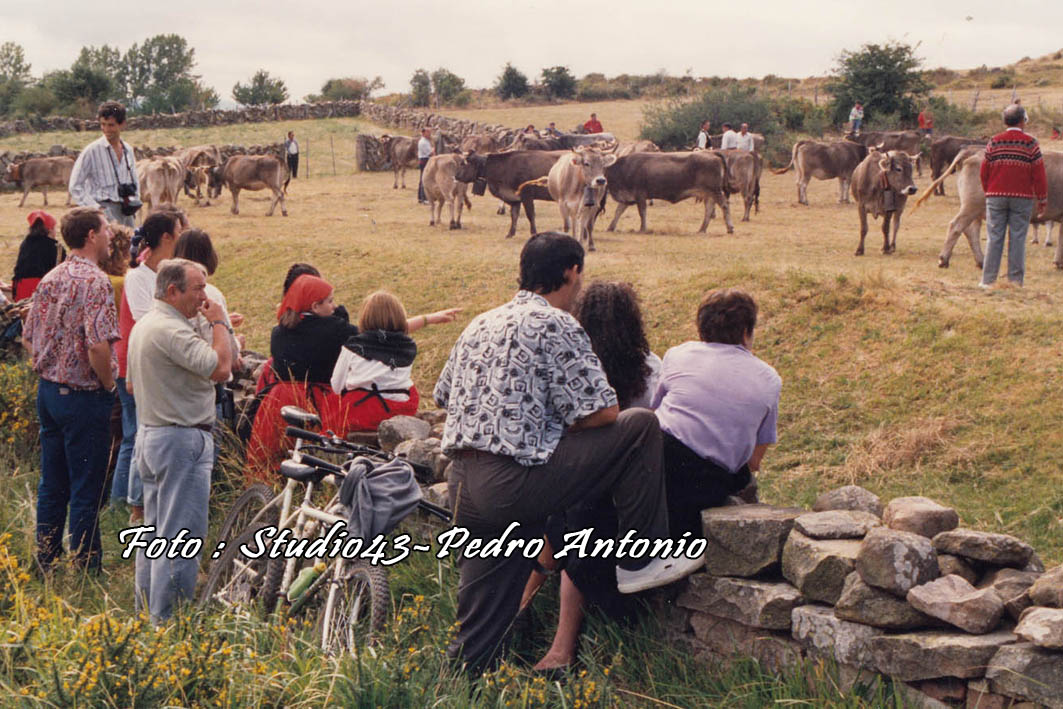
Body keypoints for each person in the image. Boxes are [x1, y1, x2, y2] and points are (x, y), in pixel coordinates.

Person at [434, 232, 702, 675]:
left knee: (480, 618)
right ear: (572, 271)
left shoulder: (479, 323)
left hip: (463, 484)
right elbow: (603, 411)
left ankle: (455, 689)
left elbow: (444, 396)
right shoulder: (558, 322)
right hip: (515, 483)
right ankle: (641, 557)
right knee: (640, 427)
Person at [530, 281, 663, 672]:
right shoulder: (651, 367)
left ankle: (529, 610)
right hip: (629, 486)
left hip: (578, 477)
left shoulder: (575, 365)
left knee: (566, 519)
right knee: (579, 521)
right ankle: (559, 645)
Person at [246, 273, 458, 478]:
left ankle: (268, 497)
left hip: (278, 399)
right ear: (314, 306)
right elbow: (378, 339)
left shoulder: (279, 331)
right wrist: (427, 319)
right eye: (330, 301)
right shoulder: (337, 330)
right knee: (311, 451)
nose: (335, 306)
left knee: (271, 452)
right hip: (315, 400)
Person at [127, 258, 232, 622]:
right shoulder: (172, 330)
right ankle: (170, 626)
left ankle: (147, 615)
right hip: (180, 439)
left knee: (155, 534)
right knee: (181, 539)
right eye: (198, 288)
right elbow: (221, 368)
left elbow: (129, 383)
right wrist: (218, 322)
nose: (205, 295)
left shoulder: (146, 325)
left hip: (152, 434)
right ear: (173, 291)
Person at [22, 207, 119, 573]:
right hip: (83, 396)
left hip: (49, 393)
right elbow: (98, 346)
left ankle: (45, 558)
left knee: (53, 483)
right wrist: (108, 385)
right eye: (106, 229)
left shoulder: (51, 277)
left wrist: (50, 365)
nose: (111, 235)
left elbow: (29, 337)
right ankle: (85, 566)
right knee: (85, 486)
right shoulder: (95, 283)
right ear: (91, 235)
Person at [653, 288, 780, 537]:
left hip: (657, 463)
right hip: (709, 484)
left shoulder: (678, 355)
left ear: (701, 329)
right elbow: (754, 461)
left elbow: (653, 411)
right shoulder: (769, 379)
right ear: (746, 332)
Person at [113, 210, 185, 518]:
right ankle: (126, 503)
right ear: (166, 238)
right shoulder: (139, 276)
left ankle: (132, 502)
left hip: (148, 364)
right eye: (180, 232)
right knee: (137, 435)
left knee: (140, 434)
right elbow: (147, 319)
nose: (183, 237)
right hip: (134, 365)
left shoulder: (158, 274)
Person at [330, 291, 421, 432]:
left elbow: (336, 386)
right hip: (399, 409)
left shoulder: (352, 347)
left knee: (333, 403)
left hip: (363, 412)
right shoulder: (407, 346)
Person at [979, 104, 1048, 288]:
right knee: (1017, 238)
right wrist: (1042, 198)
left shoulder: (994, 141)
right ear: (1023, 120)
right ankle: (1015, 281)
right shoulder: (1031, 143)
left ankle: (987, 281)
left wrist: (989, 192)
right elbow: (1039, 174)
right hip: (1022, 197)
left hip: (995, 196)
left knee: (994, 238)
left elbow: (984, 170)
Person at [68, 101, 141, 227]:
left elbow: (135, 180)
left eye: (111, 125)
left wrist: (135, 200)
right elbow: (75, 186)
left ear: (122, 124)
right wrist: (96, 209)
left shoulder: (128, 149)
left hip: (126, 210)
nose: (106, 129)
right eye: (103, 124)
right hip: (104, 209)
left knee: (130, 245)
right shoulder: (91, 151)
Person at [12, 210, 65, 302]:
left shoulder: (26, 243)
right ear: (50, 229)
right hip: (42, 289)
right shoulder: (55, 247)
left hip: (20, 288)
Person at [417, 127, 433, 205]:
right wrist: (433, 150)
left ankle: (420, 197)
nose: (430, 134)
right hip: (425, 160)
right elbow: (430, 153)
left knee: (422, 179)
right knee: (425, 179)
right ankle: (425, 198)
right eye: (428, 132)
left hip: (424, 159)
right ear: (423, 133)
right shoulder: (423, 142)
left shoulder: (426, 141)